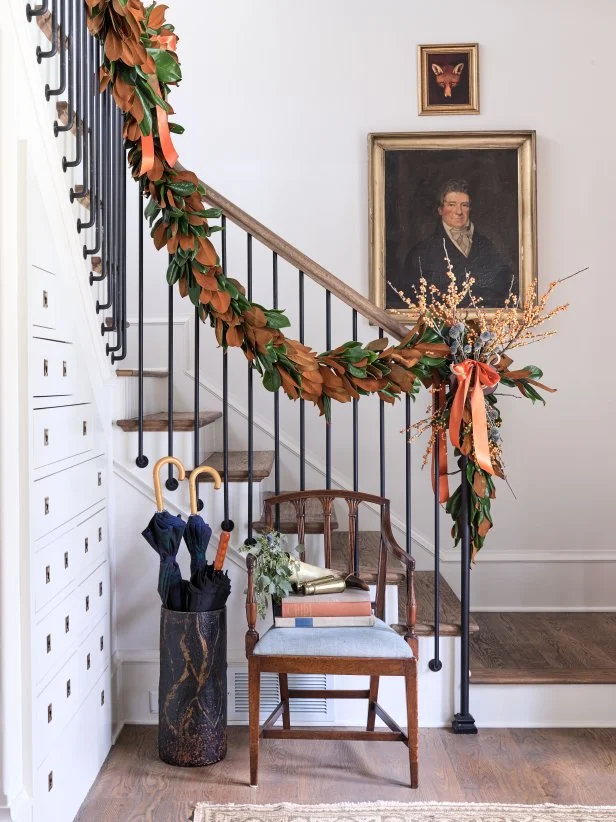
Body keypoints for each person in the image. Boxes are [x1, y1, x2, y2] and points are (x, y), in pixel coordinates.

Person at [404, 180, 515, 307]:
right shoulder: (421, 252)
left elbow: (506, 285)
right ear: (440, 209)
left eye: (464, 205)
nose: (459, 212)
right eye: (452, 205)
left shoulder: (488, 246)